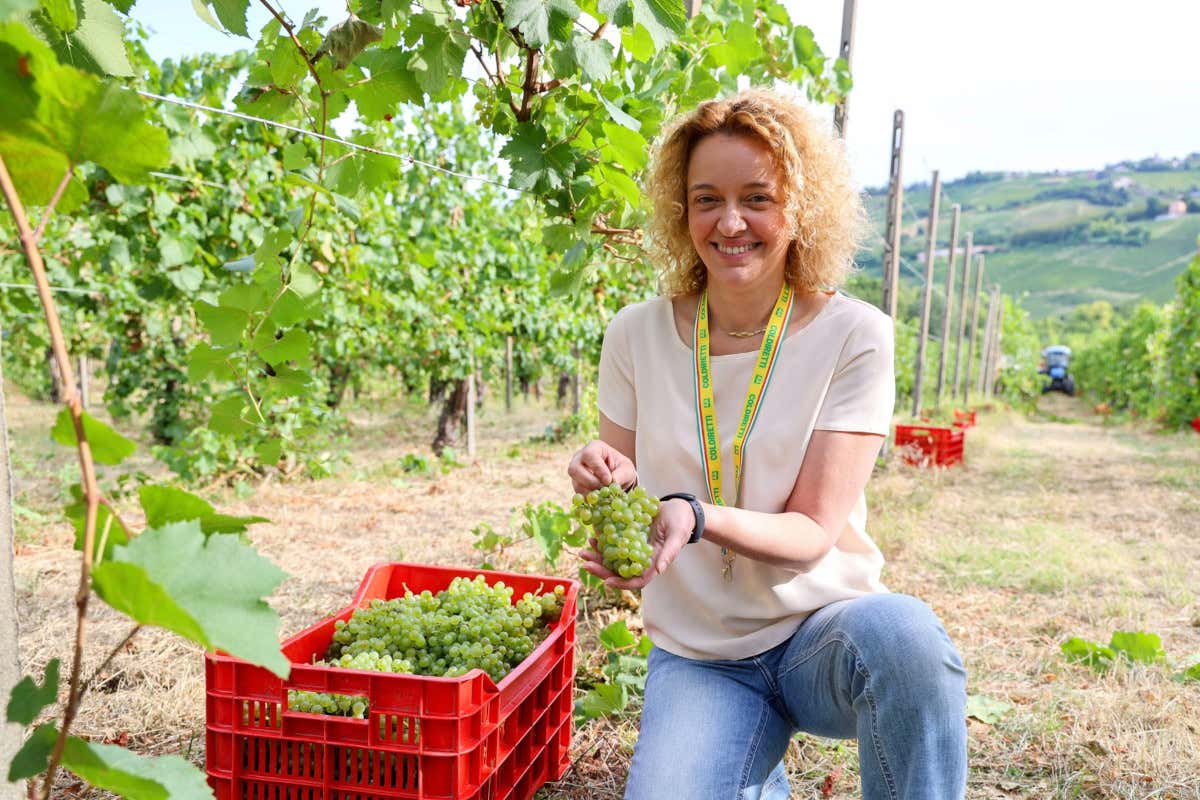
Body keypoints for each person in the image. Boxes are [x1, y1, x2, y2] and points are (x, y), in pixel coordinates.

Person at [566, 89, 968, 799]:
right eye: (705, 199)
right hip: (701, 656)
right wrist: (605, 482)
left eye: (757, 197)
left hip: (822, 633)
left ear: (801, 207)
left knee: (907, 638)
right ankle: (746, 758)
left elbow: (814, 530)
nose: (729, 223)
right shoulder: (634, 333)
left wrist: (695, 514)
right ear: (679, 209)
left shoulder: (853, 336)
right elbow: (628, 495)